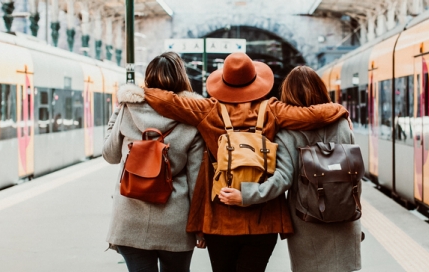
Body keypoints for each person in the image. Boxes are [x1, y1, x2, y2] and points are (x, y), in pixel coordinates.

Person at [135, 52, 350, 272]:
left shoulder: (208, 110)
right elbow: (310, 115)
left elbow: (167, 101)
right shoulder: (273, 110)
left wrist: (139, 91)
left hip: (220, 215)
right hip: (263, 217)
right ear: (256, 80)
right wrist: (337, 109)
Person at [219, 66, 362, 272]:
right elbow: (354, 172)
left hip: (308, 220)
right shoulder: (341, 123)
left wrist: (245, 195)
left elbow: (283, 179)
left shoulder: (287, 133)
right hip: (345, 215)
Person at [103, 52, 205, 272]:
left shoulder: (129, 108)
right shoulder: (192, 116)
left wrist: (117, 115)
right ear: (182, 78)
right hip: (175, 222)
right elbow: (196, 180)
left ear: (147, 78)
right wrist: (199, 227)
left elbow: (110, 154)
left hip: (130, 218)